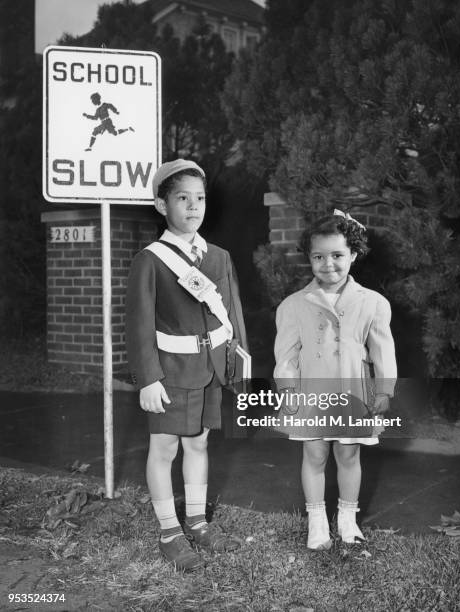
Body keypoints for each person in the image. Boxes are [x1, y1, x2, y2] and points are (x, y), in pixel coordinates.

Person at [126, 159, 248, 571]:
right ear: (162, 205)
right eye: (182, 198)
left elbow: (233, 313)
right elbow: (139, 323)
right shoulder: (151, 259)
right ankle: (169, 532)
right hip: (171, 370)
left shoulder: (220, 257)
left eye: (199, 198)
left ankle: (196, 522)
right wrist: (148, 378)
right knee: (165, 447)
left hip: (211, 365)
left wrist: (238, 363)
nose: (193, 206)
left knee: (199, 442)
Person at [274, 210, 397, 550]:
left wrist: (383, 392)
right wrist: (289, 392)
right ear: (309, 259)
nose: (329, 264)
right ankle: (316, 520)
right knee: (314, 455)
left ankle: (347, 518)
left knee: (349, 455)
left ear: (354, 254)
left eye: (338, 255)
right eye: (319, 257)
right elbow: (286, 357)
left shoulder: (373, 303)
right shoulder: (294, 305)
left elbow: (383, 353)